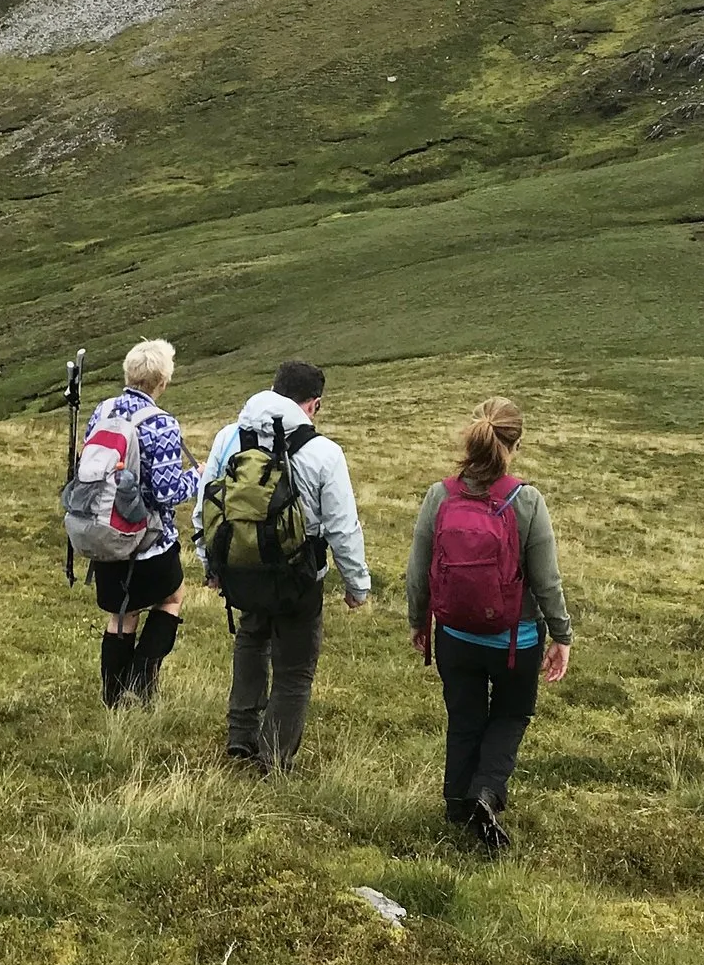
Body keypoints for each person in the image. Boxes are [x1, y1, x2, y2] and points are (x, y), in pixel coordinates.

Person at [407, 396, 572, 852]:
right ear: (515, 444)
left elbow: (418, 569)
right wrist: (561, 635)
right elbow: (547, 580)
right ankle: (488, 791)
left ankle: (457, 806)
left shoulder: (440, 495)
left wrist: (419, 621)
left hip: (456, 636)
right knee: (511, 714)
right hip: (515, 642)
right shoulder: (528, 501)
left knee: (464, 719)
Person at [196, 359, 369, 773]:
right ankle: (272, 758)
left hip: (240, 566)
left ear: (273, 389)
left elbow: (207, 503)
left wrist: (211, 564)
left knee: (251, 639)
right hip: (299, 574)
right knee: (294, 667)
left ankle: (240, 736)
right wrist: (356, 584)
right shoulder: (324, 452)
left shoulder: (229, 436)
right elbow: (343, 526)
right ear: (315, 404)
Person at [83, 338, 199, 707]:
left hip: (104, 533)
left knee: (121, 614)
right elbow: (167, 493)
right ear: (162, 381)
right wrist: (198, 475)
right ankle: (142, 677)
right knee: (172, 597)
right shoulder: (162, 423)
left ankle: (113, 698)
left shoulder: (102, 411)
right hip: (150, 539)